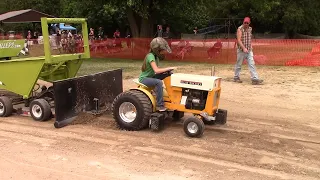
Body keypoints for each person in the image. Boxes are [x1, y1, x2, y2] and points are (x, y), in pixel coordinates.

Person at [138, 37, 177, 111]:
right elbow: (156, 70)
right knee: (159, 82)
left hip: (151, 77)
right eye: (163, 50)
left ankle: (172, 98)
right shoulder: (150, 56)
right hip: (144, 79)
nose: (164, 51)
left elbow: (157, 70)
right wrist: (169, 68)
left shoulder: (156, 57)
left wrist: (167, 71)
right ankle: (160, 105)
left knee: (169, 74)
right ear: (157, 50)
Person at [234, 17, 263, 85]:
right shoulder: (240, 29)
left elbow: (249, 38)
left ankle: (255, 79)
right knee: (239, 64)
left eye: (247, 23)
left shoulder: (250, 29)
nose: (246, 24)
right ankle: (236, 77)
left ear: (249, 23)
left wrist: (250, 46)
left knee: (252, 64)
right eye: (245, 22)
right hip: (241, 50)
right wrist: (244, 48)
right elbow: (239, 40)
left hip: (249, 50)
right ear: (243, 22)